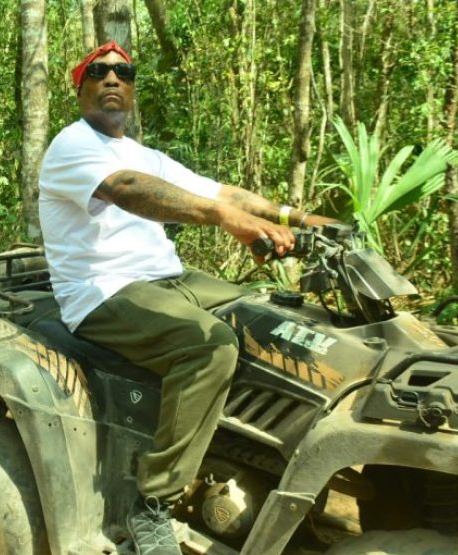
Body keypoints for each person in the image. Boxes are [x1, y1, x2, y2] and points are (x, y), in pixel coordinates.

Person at [38, 41, 334, 555]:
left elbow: (224, 193)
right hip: (102, 290)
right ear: (80, 86)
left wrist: (299, 219)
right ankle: (151, 503)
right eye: (98, 71)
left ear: (131, 88)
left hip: (168, 277)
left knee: (268, 319)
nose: (112, 77)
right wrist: (225, 220)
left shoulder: (143, 153)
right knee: (210, 346)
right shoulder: (72, 145)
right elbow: (129, 189)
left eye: (123, 71)